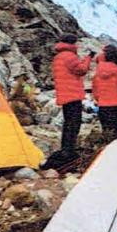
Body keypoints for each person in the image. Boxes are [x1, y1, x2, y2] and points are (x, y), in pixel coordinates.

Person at [50, 34, 93, 164]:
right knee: (74, 124)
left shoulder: (58, 56)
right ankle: (69, 152)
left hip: (64, 95)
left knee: (68, 123)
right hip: (73, 95)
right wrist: (88, 58)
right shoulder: (69, 56)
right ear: (72, 43)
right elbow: (82, 70)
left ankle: (65, 149)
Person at [92, 45, 117, 141]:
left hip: (103, 108)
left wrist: (101, 100)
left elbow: (95, 91)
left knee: (108, 137)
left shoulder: (98, 71)